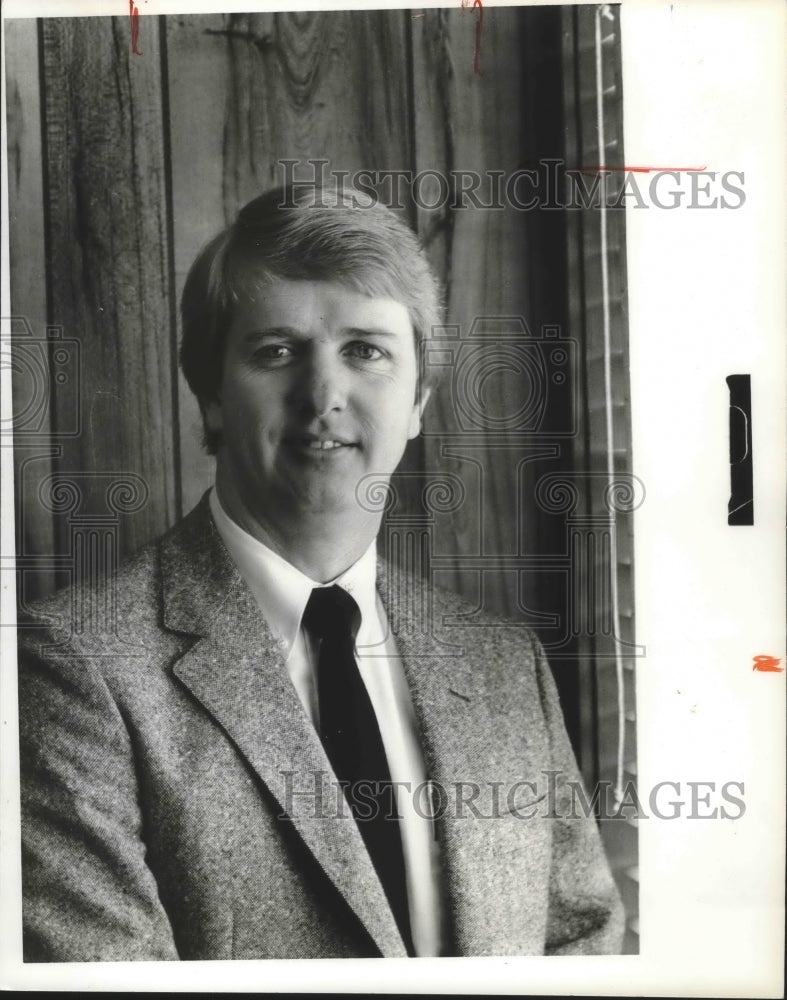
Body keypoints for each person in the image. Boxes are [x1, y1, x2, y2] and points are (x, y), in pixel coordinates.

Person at [17, 184, 624, 960]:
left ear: (417, 403)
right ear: (209, 399)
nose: (324, 395)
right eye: (276, 351)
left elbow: (581, 946)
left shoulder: (503, 664)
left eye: (365, 351)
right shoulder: (74, 665)